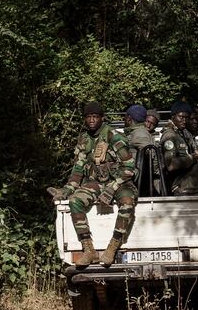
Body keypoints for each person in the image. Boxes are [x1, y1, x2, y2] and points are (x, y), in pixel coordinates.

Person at [48, 101, 138, 266]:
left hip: (120, 182)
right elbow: (78, 170)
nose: (91, 120)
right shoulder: (84, 139)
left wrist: (112, 189)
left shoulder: (114, 136)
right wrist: (66, 191)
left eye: (95, 117)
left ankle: (113, 246)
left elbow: (129, 167)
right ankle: (88, 249)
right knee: (75, 201)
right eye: (88, 117)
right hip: (96, 183)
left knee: (127, 203)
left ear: (102, 118)